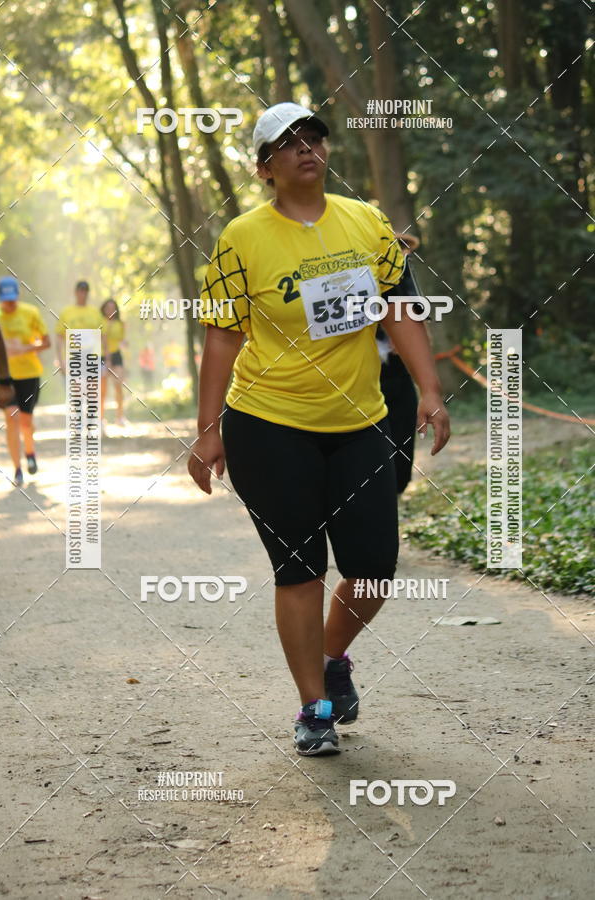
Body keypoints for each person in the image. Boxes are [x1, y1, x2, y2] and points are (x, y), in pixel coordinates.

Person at [187, 102, 450, 756]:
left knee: (373, 570)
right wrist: (207, 429)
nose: (307, 148)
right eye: (289, 142)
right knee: (299, 568)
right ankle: (315, 707)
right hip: (268, 424)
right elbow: (221, 337)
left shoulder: (365, 223)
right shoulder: (242, 239)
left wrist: (431, 391)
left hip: (360, 420)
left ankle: (334, 657)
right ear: (265, 167)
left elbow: (399, 308)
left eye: (314, 137)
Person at [376, 233, 421, 494]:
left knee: (400, 469)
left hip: (398, 372)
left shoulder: (403, 271)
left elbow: (416, 308)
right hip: (359, 374)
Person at [0, 276, 51, 486]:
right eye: (5, 299)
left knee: (26, 421)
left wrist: (24, 348)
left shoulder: (30, 313)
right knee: (12, 417)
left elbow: (46, 342)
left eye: (13, 298)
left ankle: (30, 452)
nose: (10, 303)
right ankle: (17, 469)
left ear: (18, 295)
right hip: (3, 376)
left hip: (29, 373)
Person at [55, 280, 104, 375]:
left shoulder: (95, 312)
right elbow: (59, 337)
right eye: (81, 290)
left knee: (91, 389)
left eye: (86, 291)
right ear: (75, 292)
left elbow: (102, 337)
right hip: (74, 357)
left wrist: (106, 359)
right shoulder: (66, 312)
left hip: (92, 357)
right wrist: (60, 361)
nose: (83, 293)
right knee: (77, 388)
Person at [101, 298, 127, 426]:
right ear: (104, 309)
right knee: (103, 390)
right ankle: (101, 419)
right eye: (108, 308)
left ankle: (120, 417)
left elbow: (121, 340)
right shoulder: (102, 323)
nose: (110, 310)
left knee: (118, 386)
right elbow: (103, 341)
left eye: (112, 307)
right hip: (103, 356)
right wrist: (107, 359)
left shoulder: (120, 324)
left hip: (117, 356)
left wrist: (125, 344)